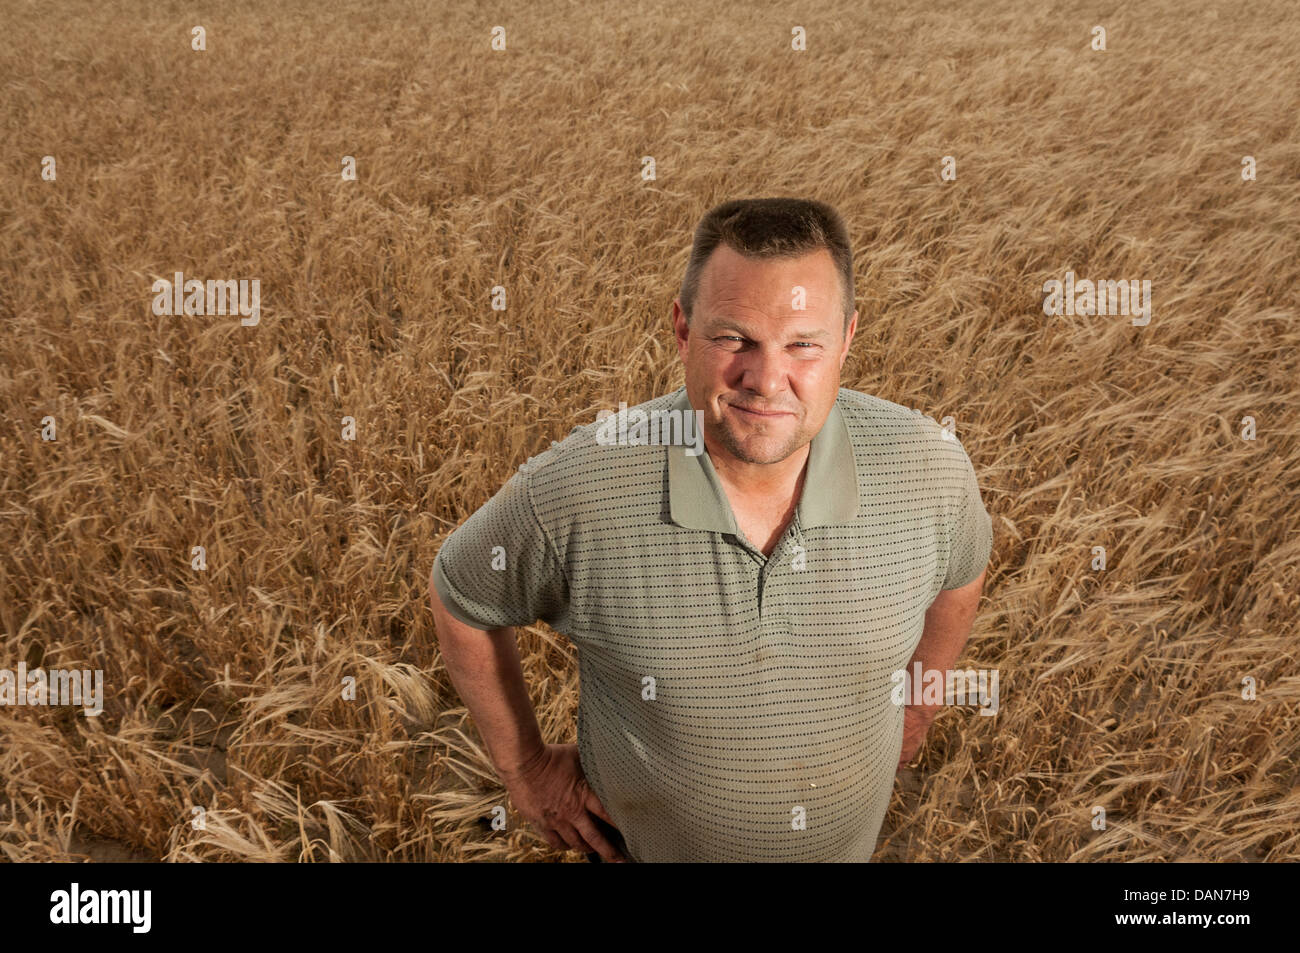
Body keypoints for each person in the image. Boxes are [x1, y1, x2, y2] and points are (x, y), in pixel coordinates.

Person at [429, 197, 993, 862]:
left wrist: (920, 706)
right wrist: (526, 768)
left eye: (803, 344)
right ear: (681, 327)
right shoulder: (581, 488)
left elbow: (961, 577)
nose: (765, 379)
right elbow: (461, 595)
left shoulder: (927, 467)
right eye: (735, 339)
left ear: (846, 338)